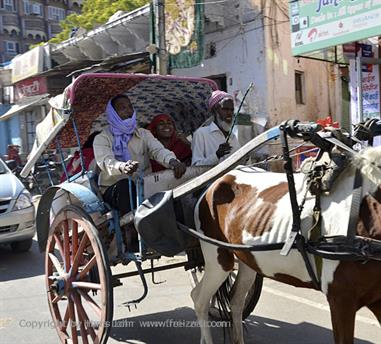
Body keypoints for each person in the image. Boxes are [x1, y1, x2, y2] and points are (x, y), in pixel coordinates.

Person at [93, 94, 186, 216]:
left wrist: (172, 161)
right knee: (125, 185)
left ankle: (182, 232)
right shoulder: (102, 138)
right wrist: (122, 166)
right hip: (115, 190)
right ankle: (131, 230)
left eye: (130, 107)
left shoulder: (143, 134)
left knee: (170, 195)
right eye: (122, 108)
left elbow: (158, 150)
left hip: (145, 185)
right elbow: (105, 161)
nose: (129, 111)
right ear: (113, 114)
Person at [191, 90, 240, 166]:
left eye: (232, 110)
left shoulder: (233, 137)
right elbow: (196, 166)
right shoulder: (201, 134)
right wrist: (216, 155)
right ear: (215, 111)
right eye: (225, 109)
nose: (229, 113)